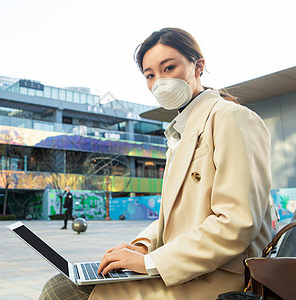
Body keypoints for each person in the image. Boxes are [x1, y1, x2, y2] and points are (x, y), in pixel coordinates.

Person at [40, 27, 273, 300]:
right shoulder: (179, 133)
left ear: (198, 66)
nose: (159, 82)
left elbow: (237, 223)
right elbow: (172, 218)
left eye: (169, 67)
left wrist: (150, 262)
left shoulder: (231, 118)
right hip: (184, 268)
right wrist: (141, 246)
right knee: (62, 283)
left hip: (221, 277)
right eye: (150, 75)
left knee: (61, 292)